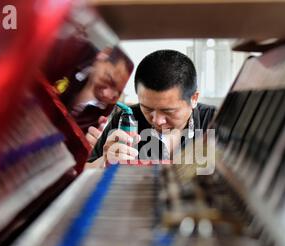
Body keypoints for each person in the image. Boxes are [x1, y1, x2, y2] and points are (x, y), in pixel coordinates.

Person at [86, 49, 216, 168]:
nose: (157, 121)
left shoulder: (217, 121)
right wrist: (104, 161)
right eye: (147, 109)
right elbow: (85, 170)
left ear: (194, 99)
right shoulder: (125, 120)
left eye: (168, 111)